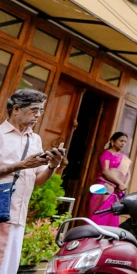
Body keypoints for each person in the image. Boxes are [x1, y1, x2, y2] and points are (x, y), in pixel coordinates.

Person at [0, 89, 65, 274]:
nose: (38, 115)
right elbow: (23, 167)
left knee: (8, 267)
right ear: (17, 109)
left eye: (41, 111)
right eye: (34, 109)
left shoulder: (35, 140)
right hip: (1, 209)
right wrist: (21, 165)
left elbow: (38, 180)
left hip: (18, 215)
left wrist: (53, 166)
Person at [88, 132, 131, 226]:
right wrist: (120, 183)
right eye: (121, 140)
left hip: (117, 191)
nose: (123, 143)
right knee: (100, 214)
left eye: (125, 141)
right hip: (105, 188)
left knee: (111, 215)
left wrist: (124, 185)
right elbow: (105, 171)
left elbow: (128, 173)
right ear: (112, 141)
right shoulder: (107, 154)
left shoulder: (124, 158)